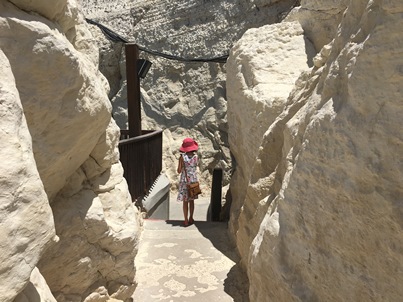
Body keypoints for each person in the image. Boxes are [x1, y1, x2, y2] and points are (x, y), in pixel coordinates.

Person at [177, 137, 199, 226]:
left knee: (185, 201)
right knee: (192, 201)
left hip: (184, 180)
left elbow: (178, 170)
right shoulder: (196, 157)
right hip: (193, 180)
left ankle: (185, 220)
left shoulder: (182, 157)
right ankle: (191, 218)